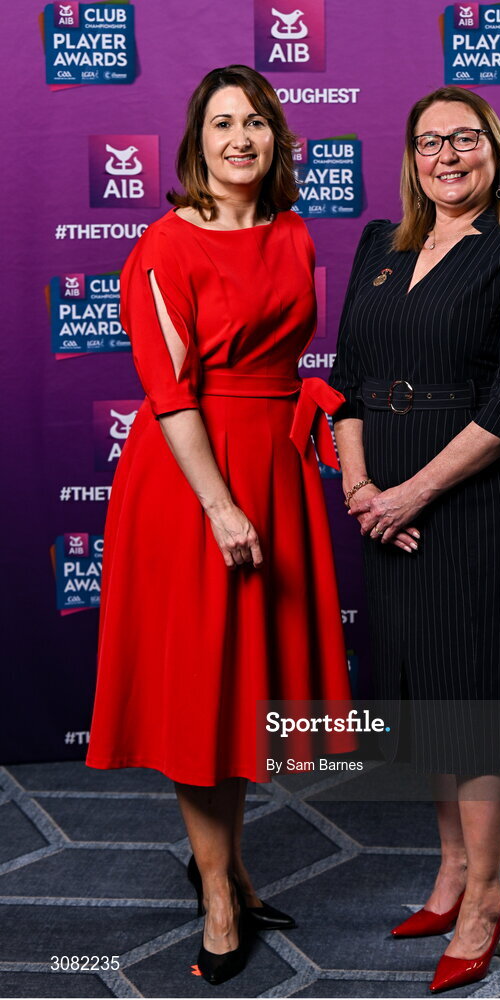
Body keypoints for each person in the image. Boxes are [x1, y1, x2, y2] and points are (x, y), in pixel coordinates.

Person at [86, 64, 352, 986]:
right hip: (193, 479)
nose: (241, 138)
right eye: (223, 123)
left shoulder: (292, 231)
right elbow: (169, 392)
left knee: (240, 693)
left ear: (277, 139)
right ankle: (217, 898)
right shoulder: (163, 244)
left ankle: (231, 867)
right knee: (202, 693)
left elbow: (285, 361)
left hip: (273, 465)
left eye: (258, 123)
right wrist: (220, 503)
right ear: (197, 141)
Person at [329, 86, 500, 993]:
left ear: (498, 150)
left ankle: (487, 895)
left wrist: (411, 495)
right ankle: (448, 874)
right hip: (386, 499)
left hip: (481, 503)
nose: (447, 156)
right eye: (429, 141)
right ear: (411, 156)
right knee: (425, 692)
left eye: (465, 139)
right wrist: (362, 487)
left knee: (474, 698)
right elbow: (348, 381)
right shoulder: (379, 246)